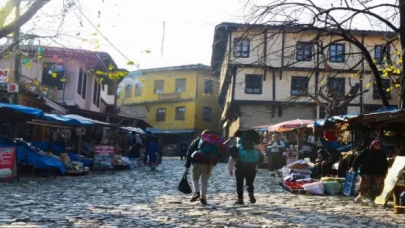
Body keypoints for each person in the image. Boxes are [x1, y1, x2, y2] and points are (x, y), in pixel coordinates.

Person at [228, 129, 262, 204]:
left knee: (239, 183)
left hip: (240, 167)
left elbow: (232, 158)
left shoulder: (239, 148)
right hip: (252, 167)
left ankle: (240, 199)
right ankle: (250, 194)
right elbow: (259, 159)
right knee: (250, 183)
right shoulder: (255, 150)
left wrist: (230, 169)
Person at [350, 140, 388, 206]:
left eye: (379, 145)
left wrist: (385, 171)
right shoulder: (366, 151)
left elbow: (385, 163)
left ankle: (371, 199)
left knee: (376, 186)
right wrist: (353, 167)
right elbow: (358, 159)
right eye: (376, 145)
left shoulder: (382, 154)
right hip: (366, 171)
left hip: (378, 172)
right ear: (373, 145)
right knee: (365, 184)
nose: (378, 146)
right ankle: (361, 195)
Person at [185, 130, 217, 205]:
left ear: (201, 135)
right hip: (209, 164)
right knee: (205, 181)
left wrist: (187, 166)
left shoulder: (196, 141)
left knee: (195, 178)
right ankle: (203, 198)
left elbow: (189, 153)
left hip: (198, 163)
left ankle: (196, 192)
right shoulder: (213, 143)